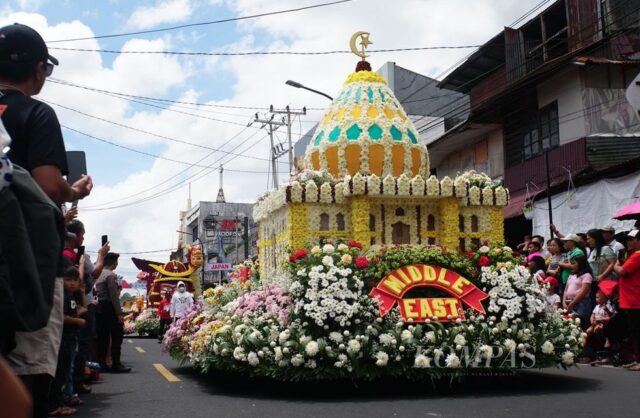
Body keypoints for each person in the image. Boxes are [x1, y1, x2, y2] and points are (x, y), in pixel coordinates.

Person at [1, 23, 92, 418]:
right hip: (25, 263)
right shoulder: (36, 112)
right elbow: (48, 187)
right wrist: (75, 191)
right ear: (39, 70)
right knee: (26, 373)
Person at [48, 265, 85, 417]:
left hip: (70, 338)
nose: (72, 283)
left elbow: (77, 309)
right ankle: (55, 405)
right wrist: (77, 321)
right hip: (63, 339)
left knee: (66, 371)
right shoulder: (62, 296)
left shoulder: (71, 297)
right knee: (61, 372)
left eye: (75, 280)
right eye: (68, 279)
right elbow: (61, 317)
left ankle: (64, 399)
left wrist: (82, 294)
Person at [94, 253, 130, 373]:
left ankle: (102, 364)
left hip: (99, 307)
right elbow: (114, 296)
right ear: (114, 263)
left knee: (102, 337)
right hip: (109, 307)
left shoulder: (98, 274)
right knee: (116, 336)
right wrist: (119, 314)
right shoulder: (111, 275)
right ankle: (116, 364)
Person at [613, 229, 640, 371]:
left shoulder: (637, 255)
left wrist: (616, 264)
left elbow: (622, 271)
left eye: (631, 239)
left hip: (635, 299)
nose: (628, 242)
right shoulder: (631, 255)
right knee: (634, 331)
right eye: (627, 239)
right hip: (630, 299)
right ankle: (636, 359)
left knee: (637, 330)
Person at [563, 254, 593, 330]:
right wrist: (564, 302)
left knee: (580, 325)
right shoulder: (571, 275)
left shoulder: (587, 275)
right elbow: (566, 290)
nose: (571, 265)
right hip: (569, 302)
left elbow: (583, 292)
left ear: (581, 264)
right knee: (570, 325)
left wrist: (572, 303)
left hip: (581, 303)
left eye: (573, 263)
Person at [586, 229, 616, 302]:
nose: (588, 241)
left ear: (596, 238)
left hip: (605, 282)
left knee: (605, 303)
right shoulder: (592, 251)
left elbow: (612, 263)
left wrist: (602, 275)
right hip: (594, 282)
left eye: (589, 238)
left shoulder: (606, 249)